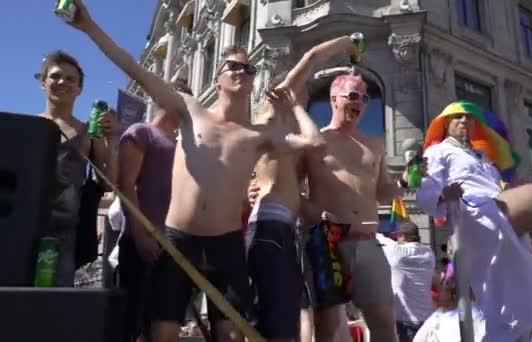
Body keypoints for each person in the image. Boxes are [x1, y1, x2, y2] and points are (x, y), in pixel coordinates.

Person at [61, 1, 327, 341]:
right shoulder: (189, 109)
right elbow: (131, 65)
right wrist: (88, 25)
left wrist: (294, 109)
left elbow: (316, 144)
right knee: (164, 333)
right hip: (178, 241)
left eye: (248, 70)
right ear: (217, 81)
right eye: (232, 66)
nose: (240, 73)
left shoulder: (257, 135)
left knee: (231, 335)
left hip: (227, 246)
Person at [416, 100, 532, 341]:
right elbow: (425, 195)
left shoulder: (483, 158)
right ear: (445, 124)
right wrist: (444, 196)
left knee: (509, 308)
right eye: (457, 117)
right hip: (479, 215)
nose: (464, 120)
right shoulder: (438, 151)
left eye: (469, 117)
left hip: (496, 220)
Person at [247, 36, 360, 342]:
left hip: (282, 228)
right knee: (277, 315)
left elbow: (293, 196)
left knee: (285, 314)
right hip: (269, 227)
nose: (305, 98)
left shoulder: (284, 137)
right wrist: (345, 44)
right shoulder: (270, 116)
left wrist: (319, 213)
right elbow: (310, 56)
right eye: (302, 93)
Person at [299, 73, 408, 342]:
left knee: (384, 323)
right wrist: (314, 214)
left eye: (365, 98)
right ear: (334, 99)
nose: (360, 102)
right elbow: (291, 189)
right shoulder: (315, 142)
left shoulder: (375, 145)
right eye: (353, 95)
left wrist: (405, 181)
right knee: (329, 328)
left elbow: (383, 194)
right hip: (328, 243)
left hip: (368, 242)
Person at [116, 82, 192, 342]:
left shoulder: (185, 146)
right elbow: (125, 184)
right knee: (129, 322)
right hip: (139, 244)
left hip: (171, 247)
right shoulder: (141, 132)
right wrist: (140, 235)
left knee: (160, 322)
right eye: (179, 98)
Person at [38, 50, 118, 286]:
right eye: (55, 76)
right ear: (43, 83)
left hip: (65, 234)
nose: (62, 82)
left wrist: (112, 140)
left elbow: (108, 182)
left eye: (70, 79)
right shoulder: (28, 127)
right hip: (24, 226)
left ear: (80, 89)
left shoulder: (88, 134)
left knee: (54, 303)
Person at [377, 221, 436, 342]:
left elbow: (378, 237)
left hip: (406, 319)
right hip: (428, 318)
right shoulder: (429, 254)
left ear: (402, 236)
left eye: (398, 236)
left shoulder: (397, 252)